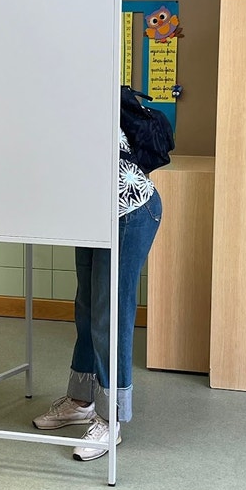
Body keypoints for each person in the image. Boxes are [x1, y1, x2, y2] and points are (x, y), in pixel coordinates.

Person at [33, 126, 162, 461]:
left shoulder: (79, 107)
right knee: (88, 308)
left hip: (128, 211)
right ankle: (80, 402)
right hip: (94, 212)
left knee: (110, 315)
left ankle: (109, 417)